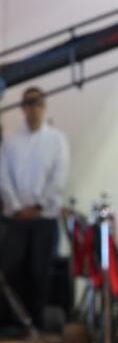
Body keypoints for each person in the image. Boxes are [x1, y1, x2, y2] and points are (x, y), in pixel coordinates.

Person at [0, 87, 70, 330]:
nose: (33, 109)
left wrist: (39, 206)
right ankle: (16, 325)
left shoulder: (57, 140)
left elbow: (58, 178)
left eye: (37, 103)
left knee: (39, 273)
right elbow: (4, 176)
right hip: (17, 219)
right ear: (22, 108)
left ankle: (38, 327)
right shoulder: (10, 141)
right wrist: (18, 207)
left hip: (44, 218)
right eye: (28, 104)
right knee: (14, 272)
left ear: (44, 106)